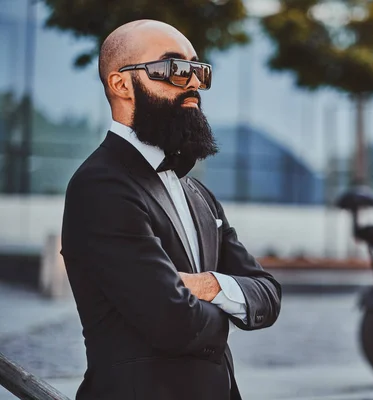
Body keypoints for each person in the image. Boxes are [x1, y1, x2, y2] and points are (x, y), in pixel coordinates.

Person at [60, 20, 282, 400]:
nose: (193, 82)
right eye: (175, 69)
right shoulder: (101, 185)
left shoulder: (198, 193)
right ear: (121, 85)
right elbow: (174, 322)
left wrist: (209, 285)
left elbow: (268, 294)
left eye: (199, 69)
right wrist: (231, 305)